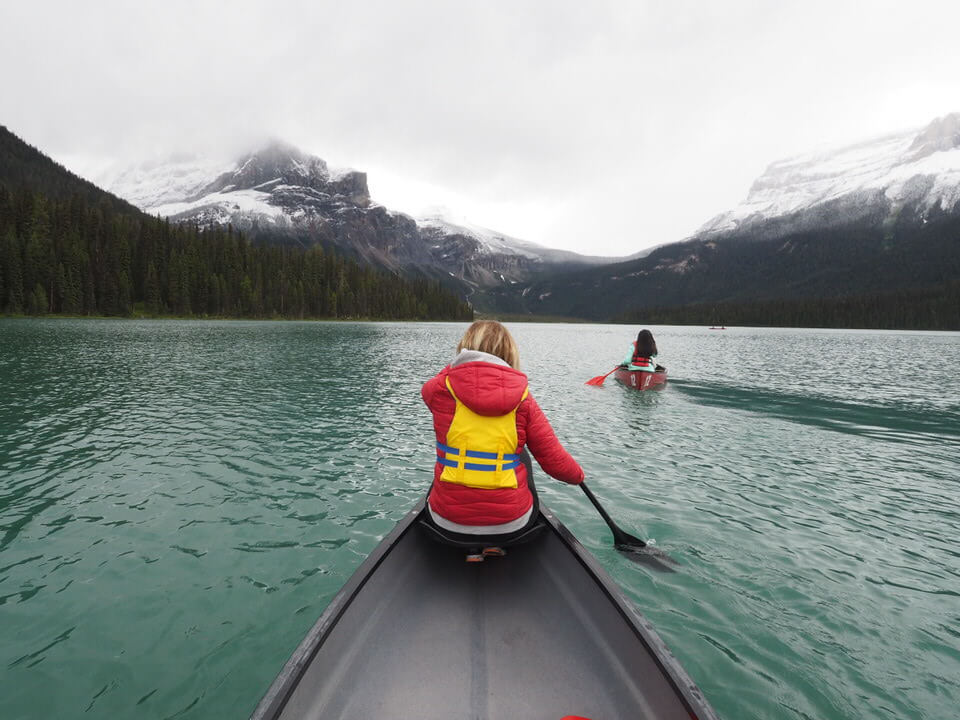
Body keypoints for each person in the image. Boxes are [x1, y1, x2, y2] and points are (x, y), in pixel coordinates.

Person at [421, 320, 584, 540]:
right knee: (522, 455)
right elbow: (556, 464)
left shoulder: (439, 389)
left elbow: (431, 386)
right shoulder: (524, 400)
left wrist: (458, 365)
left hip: (445, 522)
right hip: (510, 526)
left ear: (464, 349)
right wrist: (579, 476)